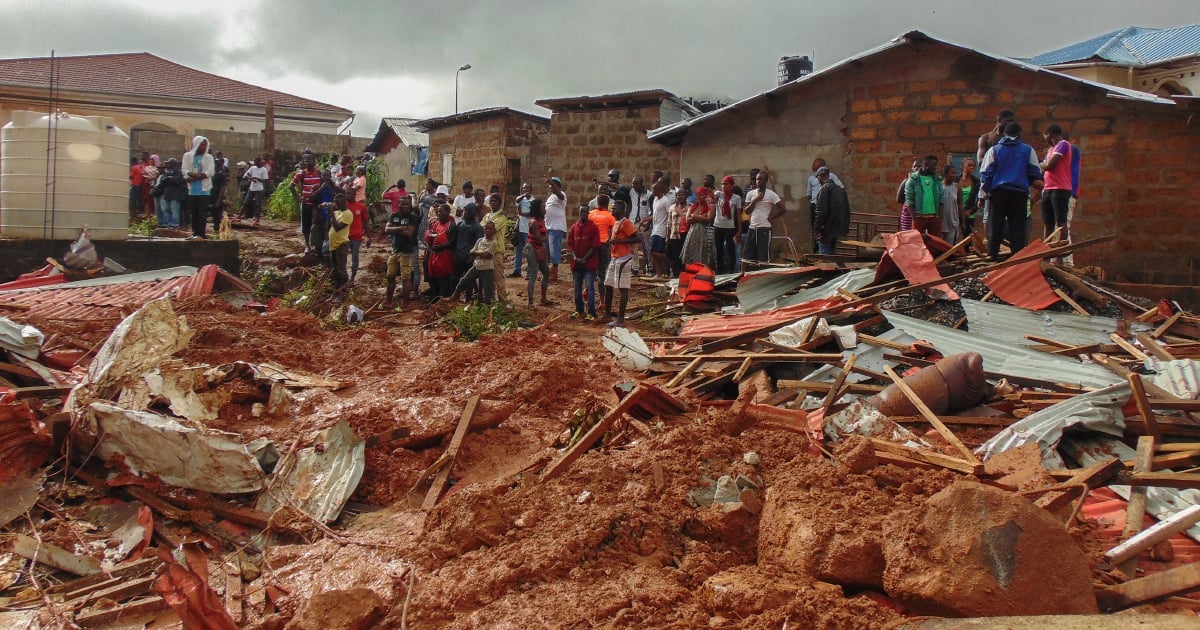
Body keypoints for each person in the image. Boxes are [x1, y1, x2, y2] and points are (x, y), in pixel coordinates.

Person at [980, 121, 1042, 260]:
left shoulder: (994, 150)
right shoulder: (1028, 150)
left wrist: (987, 191)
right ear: (1019, 134)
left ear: (1004, 134)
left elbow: (985, 173)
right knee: (1018, 226)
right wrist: (1025, 179)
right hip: (1019, 193)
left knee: (996, 224)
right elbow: (1035, 171)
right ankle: (1016, 257)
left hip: (999, 192)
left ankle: (992, 255)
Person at [603, 201, 640, 328]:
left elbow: (637, 238)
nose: (612, 210)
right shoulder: (616, 223)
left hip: (623, 258)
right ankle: (607, 314)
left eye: (615, 208)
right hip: (614, 257)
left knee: (622, 288)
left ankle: (620, 319)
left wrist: (620, 241)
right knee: (607, 285)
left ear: (622, 209)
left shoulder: (627, 223)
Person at [742, 171, 785, 267]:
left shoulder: (771, 194)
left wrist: (771, 217)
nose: (758, 181)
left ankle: (762, 277)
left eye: (761, 179)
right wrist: (755, 200)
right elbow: (747, 211)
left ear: (766, 181)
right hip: (752, 228)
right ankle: (742, 277)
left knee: (763, 258)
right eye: (757, 179)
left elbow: (782, 209)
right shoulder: (750, 194)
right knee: (746, 258)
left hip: (764, 229)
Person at [1039, 123, 1074, 244]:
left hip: (1060, 188)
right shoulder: (1050, 150)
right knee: (1048, 222)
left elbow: (1050, 165)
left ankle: (1061, 251)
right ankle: (1046, 250)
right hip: (1048, 188)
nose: (1046, 141)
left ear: (1050, 135)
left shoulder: (1063, 145)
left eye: (1046, 138)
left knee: (1060, 221)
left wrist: (1040, 165)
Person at [450, 221, 498, 304]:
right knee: (464, 280)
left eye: (489, 229)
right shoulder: (480, 240)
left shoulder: (493, 242)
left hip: (487, 269)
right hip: (476, 266)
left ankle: (489, 309)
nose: (487, 230)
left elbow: (487, 254)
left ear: (494, 231)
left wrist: (477, 253)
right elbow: (472, 251)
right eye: (486, 229)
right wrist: (481, 254)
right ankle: (454, 297)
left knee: (488, 290)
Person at [568, 204, 601, 320]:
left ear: (588, 213)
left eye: (585, 212)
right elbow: (570, 244)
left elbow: (595, 245)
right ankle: (579, 310)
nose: (583, 214)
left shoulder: (593, 228)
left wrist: (585, 258)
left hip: (589, 264)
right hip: (577, 264)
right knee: (577, 288)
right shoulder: (573, 228)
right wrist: (575, 257)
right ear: (579, 213)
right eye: (581, 212)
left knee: (589, 287)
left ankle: (591, 312)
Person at [385, 194, 418, 309]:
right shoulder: (394, 215)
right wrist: (399, 228)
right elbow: (387, 229)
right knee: (390, 276)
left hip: (407, 252)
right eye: (402, 203)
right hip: (395, 250)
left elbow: (409, 234)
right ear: (398, 204)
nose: (404, 206)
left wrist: (394, 229)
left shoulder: (413, 217)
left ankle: (405, 303)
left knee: (406, 278)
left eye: (406, 204)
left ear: (409, 205)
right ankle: (388, 301)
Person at [182, 135, 216, 239]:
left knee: (202, 213)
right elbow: (184, 170)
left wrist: (199, 176)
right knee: (194, 213)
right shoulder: (188, 156)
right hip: (192, 189)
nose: (204, 147)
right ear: (196, 145)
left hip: (204, 190)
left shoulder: (208, 157)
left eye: (205, 145)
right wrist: (191, 175)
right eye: (202, 145)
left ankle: (202, 233)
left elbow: (210, 171)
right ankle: (195, 233)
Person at [813, 166, 851, 255]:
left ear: (820, 177)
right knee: (832, 254)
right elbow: (847, 209)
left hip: (827, 228)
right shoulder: (839, 189)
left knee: (825, 257)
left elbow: (821, 212)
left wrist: (817, 229)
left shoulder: (823, 189)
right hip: (838, 228)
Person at [481, 193, 511, 303]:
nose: (493, 203)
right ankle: (491, 301)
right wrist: (487, 226)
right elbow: (483, 227)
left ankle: (503, 301)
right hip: (486, 251)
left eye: (496, 201)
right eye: (492, 201)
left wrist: (486, 227)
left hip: (497, 251)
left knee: (499, 278)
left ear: (500, 203)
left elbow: (492, 228)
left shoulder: (502, 216)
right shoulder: (488, 216)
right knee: (488, 279)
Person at [807, 158, 842, 248]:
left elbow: (841, 188)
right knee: (815, 227)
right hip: (815, 205)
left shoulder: (832, 176)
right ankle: (817, 249)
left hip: (827, 206)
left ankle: (828, 249)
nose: (812, 165)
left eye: (814, 163)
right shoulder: (811, 179)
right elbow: (809, 194)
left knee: (827, 226)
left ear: (821, 164)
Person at [290, 154, 322, 252]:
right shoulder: (301, 174)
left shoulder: (319, 173)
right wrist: (298, 198)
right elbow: (291, 186)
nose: (307, 163)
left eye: (309, 161)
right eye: (305, 161)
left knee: (317, 225)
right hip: (306, 204)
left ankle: (317, 246)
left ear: (314, 161)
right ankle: (307, 245)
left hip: (317, 205)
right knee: (306, 225)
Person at [425, 202, 458, 298]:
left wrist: (440, 245)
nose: (438, 213)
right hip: (434, 254)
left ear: (447, 212)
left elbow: (451, 242)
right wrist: (433, 238)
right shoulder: (436, 223)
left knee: (443, 279)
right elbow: (428, 236)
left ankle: (443, 299)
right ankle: (433, 297)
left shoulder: (451, 225)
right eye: (438, 211)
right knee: (432, 277)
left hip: (444, 256)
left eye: (441, 211)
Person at [904, 155, 942, 236]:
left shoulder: (937, 179)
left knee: (935, 243)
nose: (936, 167)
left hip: (934, 217)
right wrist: (915, 218)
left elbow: (941, 199)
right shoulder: (913, 179)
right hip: (919, 217)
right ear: (926, 165)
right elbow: (909, 199)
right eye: (934, 165)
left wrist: (939, 217)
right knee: (916, 243)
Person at [525, 199, 552, 307]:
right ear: (538, 209)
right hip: (532, 249)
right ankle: (530, 302)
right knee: (533, 275)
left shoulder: (541, 220)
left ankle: (543, 299)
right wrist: (548, 236)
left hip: (538, 249)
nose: (545, 209)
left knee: (546, 273)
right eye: (543, 207)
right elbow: (540, 239)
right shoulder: (534, 222)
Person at [713, 176, 742, 273]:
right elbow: (713, 198)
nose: (723, 186)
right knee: (719, 250)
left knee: (731, 249)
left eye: (726, 184)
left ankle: (731, 270)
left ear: (731, 185)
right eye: (722, 184)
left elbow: (738, 215)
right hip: (718, 226)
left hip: (730, 227)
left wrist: (739, 230)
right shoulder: (719, 194)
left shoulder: (736, 198)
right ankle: (719, 270)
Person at [681, 186, 715, 268]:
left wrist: (696, 217)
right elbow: (688, 220)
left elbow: (709, 219)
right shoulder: (692, 206)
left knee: (704, 252)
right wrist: (701, 216)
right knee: (691, 252)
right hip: (693, 233)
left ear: (706, 195)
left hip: (705, 233)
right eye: (698, 195)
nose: (700, 197)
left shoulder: (711, 206)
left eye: (702, 195)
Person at [454, 204, 484, 296]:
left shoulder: (477, 227)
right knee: (455, 279)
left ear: (471, 213)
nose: (463, 213)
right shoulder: (460, 224)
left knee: (469, 281)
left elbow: (478, 243)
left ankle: (468, 299)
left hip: (468, 257)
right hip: (458, 256)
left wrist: (472, 257)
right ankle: (456, 298)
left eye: (465, 211)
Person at [627, 176, 654, 275]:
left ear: (642, 183)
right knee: (633, 246)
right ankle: (634, 268)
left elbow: (652, 211)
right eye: (633, 183)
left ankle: (649, 267)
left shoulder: (649, 195)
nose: (633, 185)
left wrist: (648, 223)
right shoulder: (631, 192)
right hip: (633, 222)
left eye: (636, 183)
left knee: (646, 247)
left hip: (644, 223)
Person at [327, 193, 353, 290]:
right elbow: (330, 226)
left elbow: (337, 228)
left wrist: (332, 214)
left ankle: (343, 290)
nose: (336, 205)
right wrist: (331, 213)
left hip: (341, 244)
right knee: (334, 269)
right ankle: (336, 289)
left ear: (344, 202)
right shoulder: (337, 213)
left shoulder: (348, 213)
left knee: (341, 269)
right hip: (333, 245)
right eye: (335, 203)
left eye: (337, 203)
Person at [544, 175, 568, 281]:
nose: (550, 187)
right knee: (547, 251)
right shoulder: (550, 197)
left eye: (552, 186)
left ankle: (554, 273)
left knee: (555, 251)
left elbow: (559, 194)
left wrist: (550, 181)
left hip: (556, 227)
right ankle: (547, 273)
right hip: (548, 227)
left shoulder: (561, 194)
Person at [589, 195, 616, 288]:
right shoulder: (610, 215)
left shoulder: (590, 214)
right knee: (602, 268)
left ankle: (589, 286)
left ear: (597, 203)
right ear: (608, 204)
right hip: (604, 244)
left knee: (591, 266)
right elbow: (614, 230)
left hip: (592, 244)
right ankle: (601, 287)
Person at [649, 177, 672, 279]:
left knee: (654, 252)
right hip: (655, 228)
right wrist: (646, 220)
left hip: (661, 230)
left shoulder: (665, 201)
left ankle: (671, 264)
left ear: (659, 190)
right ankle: (658, 274)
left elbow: (669, 216)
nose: (652, 191)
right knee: (654, 253)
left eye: (654, 189)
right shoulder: (655, 200)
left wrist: (668, 232)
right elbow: (655, 215)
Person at [154, 158, 186, 229]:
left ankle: (175, 224)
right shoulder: (166, 173)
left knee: (174, 210)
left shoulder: (179, 173)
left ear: (173, 164)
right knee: (167, 210)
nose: (168, 165)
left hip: (175, 195)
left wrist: (170, 178)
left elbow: (179, 181)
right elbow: (162, 183)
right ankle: (167, 223)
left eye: (169, 163)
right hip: (167, 195)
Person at [511, 182, 534, 278]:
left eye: (528, 188)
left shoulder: (533, 201)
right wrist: (524, 195)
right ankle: (517, 270)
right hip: (520, 229)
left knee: (529, 251)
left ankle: (530, 272)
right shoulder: (521, 199)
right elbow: (516, 200)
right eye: (524, 188)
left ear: (531, 189)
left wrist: (522, 213)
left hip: (528, 229)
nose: (526, 189)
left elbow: (532, 213)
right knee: (518, 251)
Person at [666, 188, 689, 277]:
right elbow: (669, 223)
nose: (681, 196)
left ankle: (684, 275)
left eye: (683, 195)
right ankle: (676, 275)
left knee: (685, 256)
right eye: (679, 195)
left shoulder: (690, 207)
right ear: (676, 196)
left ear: (686, 196)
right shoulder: (672, 207)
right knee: (675, 257)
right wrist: (667, 237)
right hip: (675, 235)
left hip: (686, 235)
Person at [243, 157, 269, 225]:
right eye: (254, 162)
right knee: (245, 202)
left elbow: (266, 181)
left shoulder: (264, 170)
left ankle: (257, 219)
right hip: (252, 188)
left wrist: (257, 178)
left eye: (256, 162)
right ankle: (239, 216)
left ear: (260, 162)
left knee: (258, 204)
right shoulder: (252, 168)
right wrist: (251, 178)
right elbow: (246, 175)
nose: (255, 163)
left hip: (259, 189)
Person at [939, 165, 961, 244]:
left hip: (952, 223)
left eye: (955, 173)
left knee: (950, 248)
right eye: (952, 173)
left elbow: (960, 205)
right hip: (939, 224)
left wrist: (963, 222)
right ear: (945, 174)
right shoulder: (938, 186)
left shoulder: (956, 187)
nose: (955, 175)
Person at [959, 159, 980, 236]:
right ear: (962, 167)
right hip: (956, 214)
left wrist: (970, 211)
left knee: (967, 240)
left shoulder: (976, 182)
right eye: (969, 165)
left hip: (968, 214)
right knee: (952, 239)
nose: (971, 167)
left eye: (973, 166)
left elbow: (980, 199)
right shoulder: (956, 180)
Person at [129, 155, 146, 220]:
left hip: (135, 185)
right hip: (141, 186)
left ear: (132, 162)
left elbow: (131, 176)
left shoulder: (134, 167)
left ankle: (133, 217)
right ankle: (137, 215)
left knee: (131, 202)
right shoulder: (141, 167)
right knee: (138, 201)